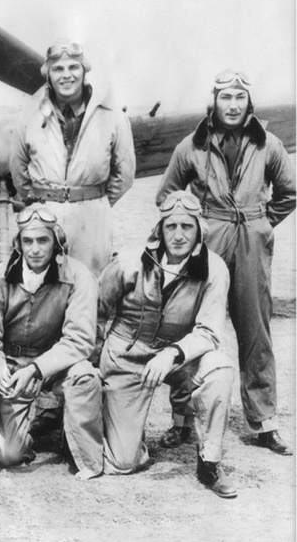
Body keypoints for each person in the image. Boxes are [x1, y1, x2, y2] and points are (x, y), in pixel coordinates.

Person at [156, 70, 296, 455]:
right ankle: (183, 419)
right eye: (225, 97)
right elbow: (167, 194)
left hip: (252, 237)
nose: (232, 105)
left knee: (256, 330)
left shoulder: (268, 145)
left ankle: (265, 422)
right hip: (209, 238)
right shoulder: (192, 145)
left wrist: (263, 224)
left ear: (249, 103)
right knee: (188, 324)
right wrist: (195, 223)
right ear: (213, 102)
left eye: (239, 97)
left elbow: (288, 192)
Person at [97, 191, 236, 498]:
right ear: (159, 229)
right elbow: (97, 310)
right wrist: (93, 361)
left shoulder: (213, 269)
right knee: (122, 461)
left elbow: (210, 331)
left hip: (177, 355)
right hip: (128, 355)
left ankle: (209, 461)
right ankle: (128, 430)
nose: (178, 235)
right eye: (170, 226)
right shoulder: (130, 262)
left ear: (199, 230)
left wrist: (172, 354)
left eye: (187, 226)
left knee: (220, 368)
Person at [0, 206, 103, 479]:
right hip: (12, 365)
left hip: (57, 362)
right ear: (18, 243)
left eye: (43, 240)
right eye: (28, 241)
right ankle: (4, 429)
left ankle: (72, 433)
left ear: (56, 242)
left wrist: (37, 369)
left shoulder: (78, 276)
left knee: (85, 375)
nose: (35, 249)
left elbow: (80, 340)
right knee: (9, 454)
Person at [10, 39, 135, 275]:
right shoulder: (28, 116)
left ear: (84, 71)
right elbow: (19, 170)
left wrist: (96, 203)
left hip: (92, 220)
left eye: (73, 68)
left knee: (92, 289)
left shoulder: (112, 117)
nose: (66, 75)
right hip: (45, 215)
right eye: (58, 69)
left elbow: (125, 173)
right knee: (45, 289)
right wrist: (41, 202)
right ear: (48, 75)